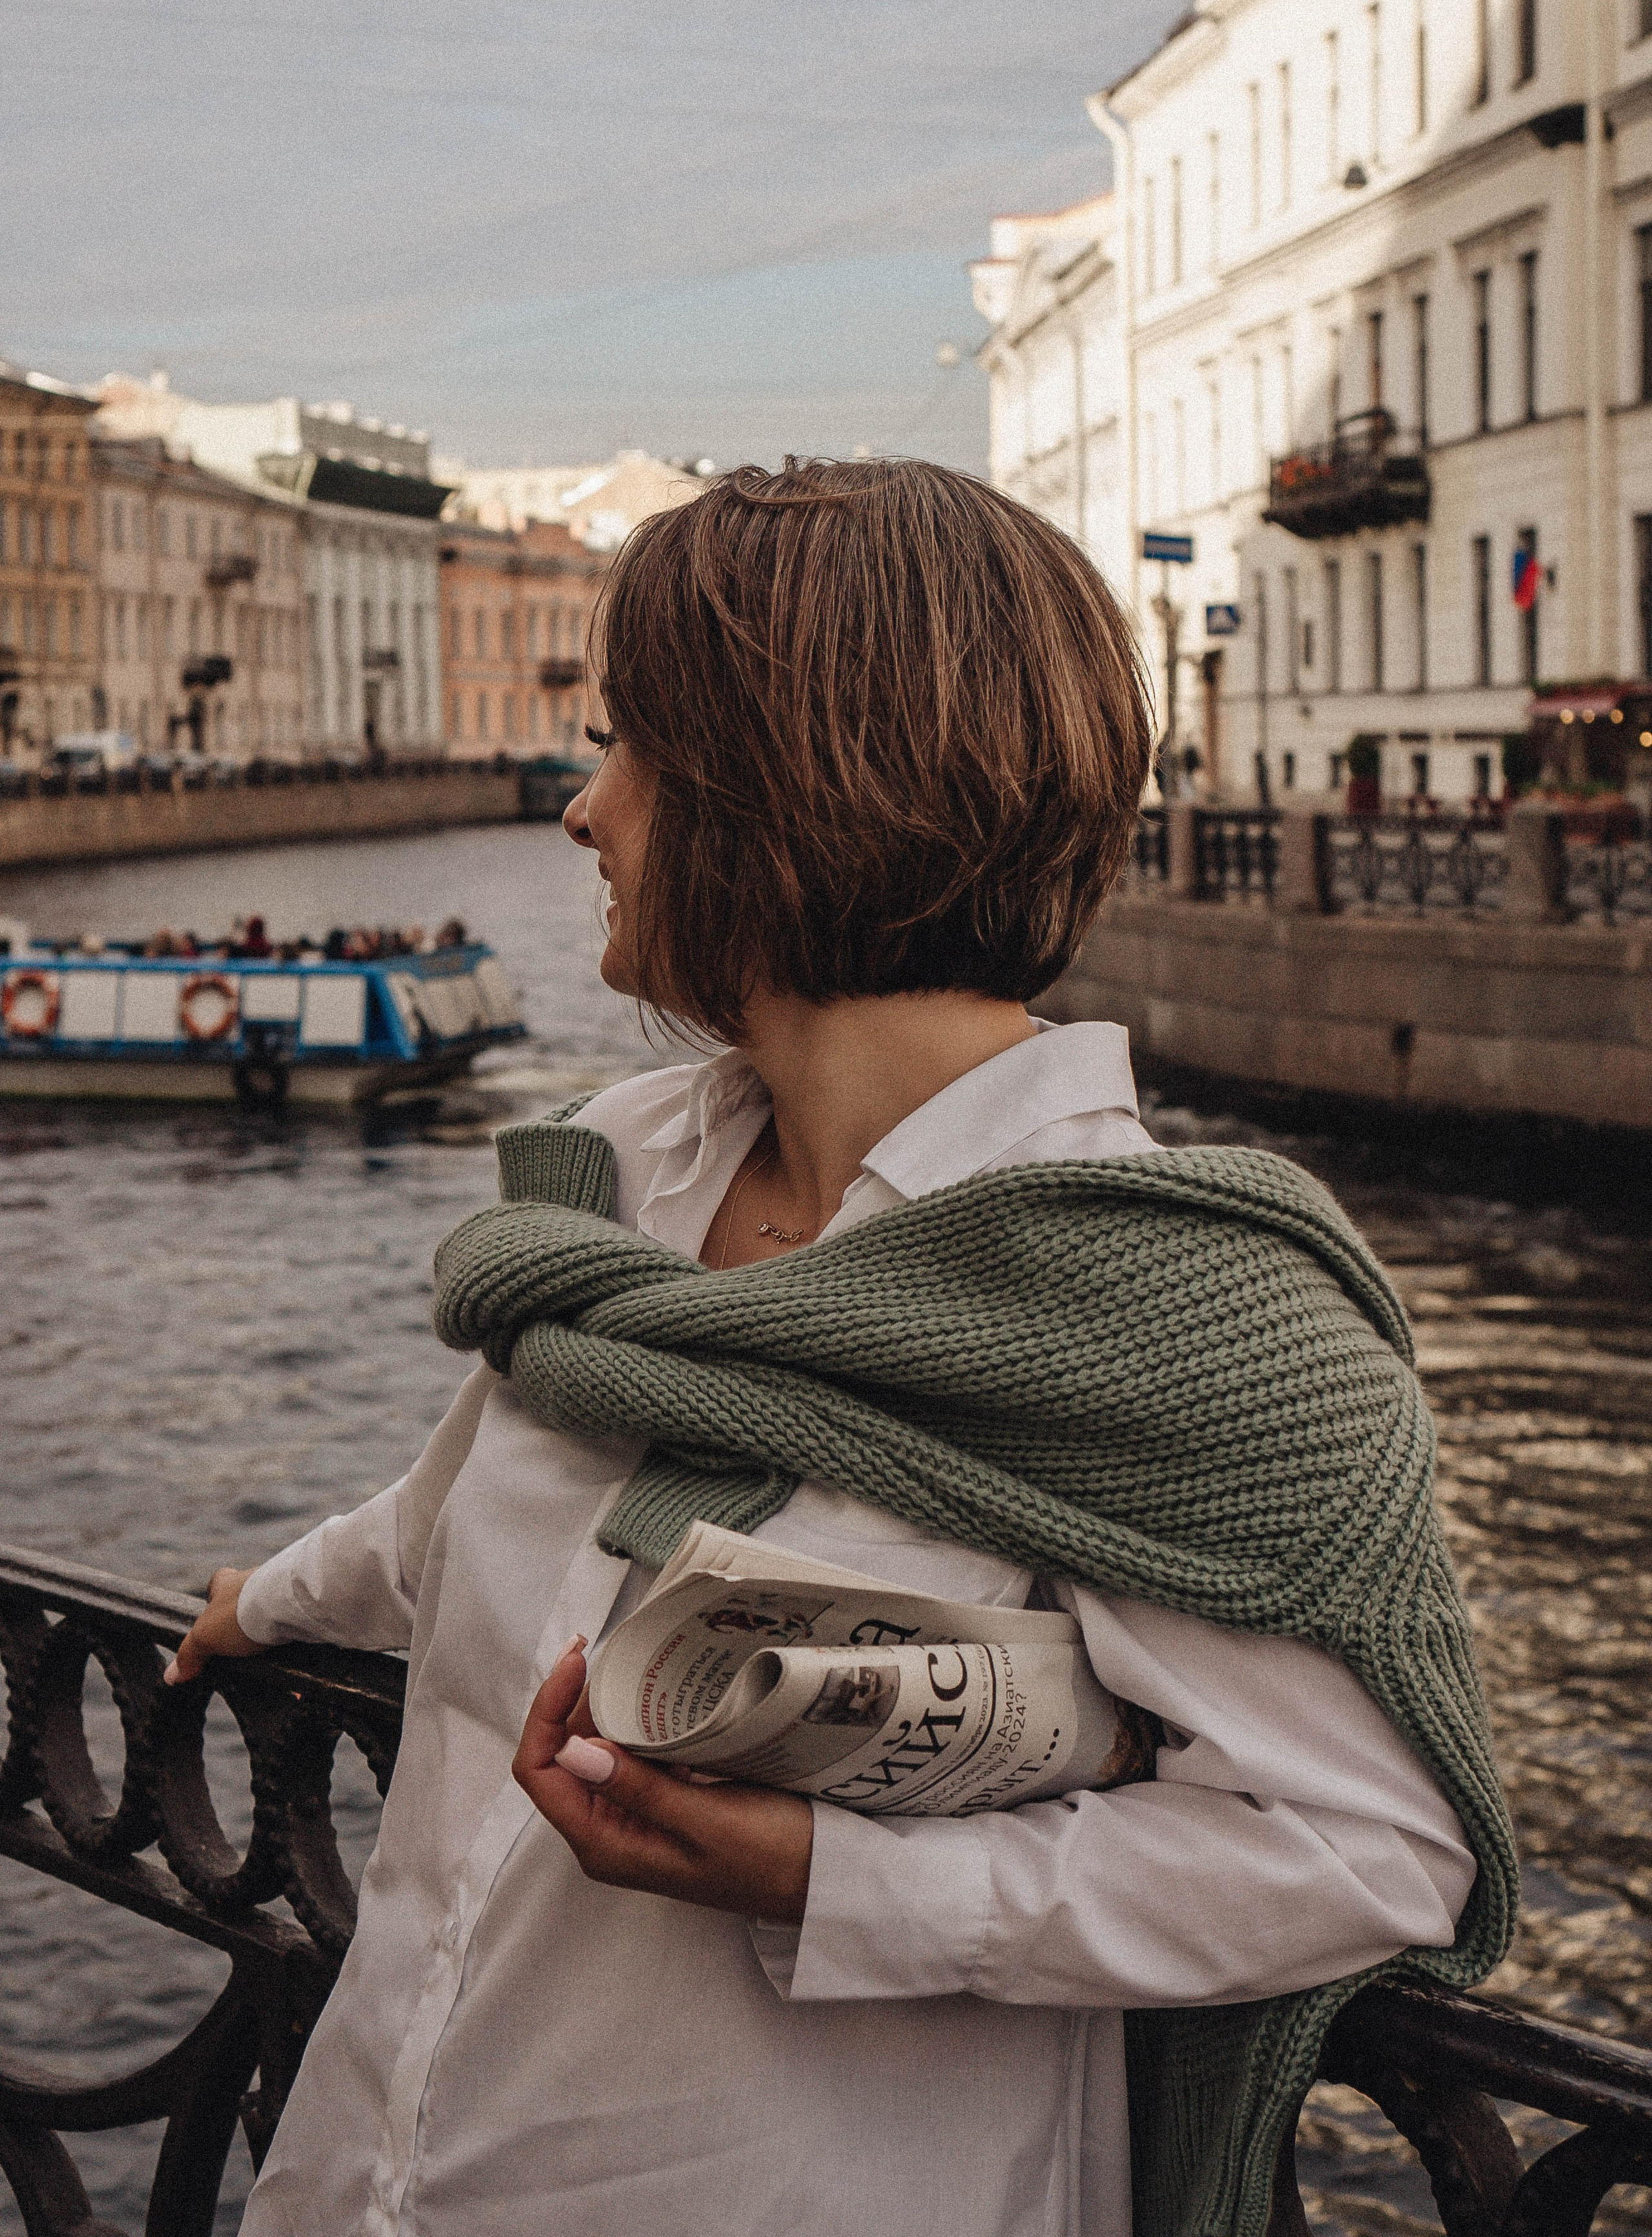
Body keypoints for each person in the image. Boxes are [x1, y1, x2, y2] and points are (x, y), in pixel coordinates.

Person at [168, 459, 1514, 2237]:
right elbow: (442, 1528)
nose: (586, 812)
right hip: (384, 2173)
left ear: (782, 793)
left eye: (627, 747)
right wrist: (263, 1605)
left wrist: (844, 1883)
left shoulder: (1177, 1321)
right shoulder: (618, 1184)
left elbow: (1369, 1851)